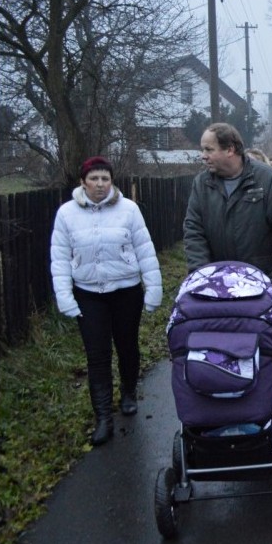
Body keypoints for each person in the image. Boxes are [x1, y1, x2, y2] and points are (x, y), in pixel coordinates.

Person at [50, 157, 162, 445]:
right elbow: (60, 257)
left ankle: (127, 392)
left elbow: (145, 249)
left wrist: (153, 289)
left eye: (105, 179)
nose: (100, 184)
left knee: (127, 346)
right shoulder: (67, 214)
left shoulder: (129, 210)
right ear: (83, 182)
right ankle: (103, 417)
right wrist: (65, 296)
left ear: (112, 182)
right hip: (89, 294)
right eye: (94, 179)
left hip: (126, 290)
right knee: (97, 355)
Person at [185, 122, 272, 298]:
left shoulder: (269, 180)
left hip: (261, 284)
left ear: (230, 149)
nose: (203, 156)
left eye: (209, 150)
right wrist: (202, 276)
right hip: (215, 285)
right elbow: (194, 231)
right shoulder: (202, 184)